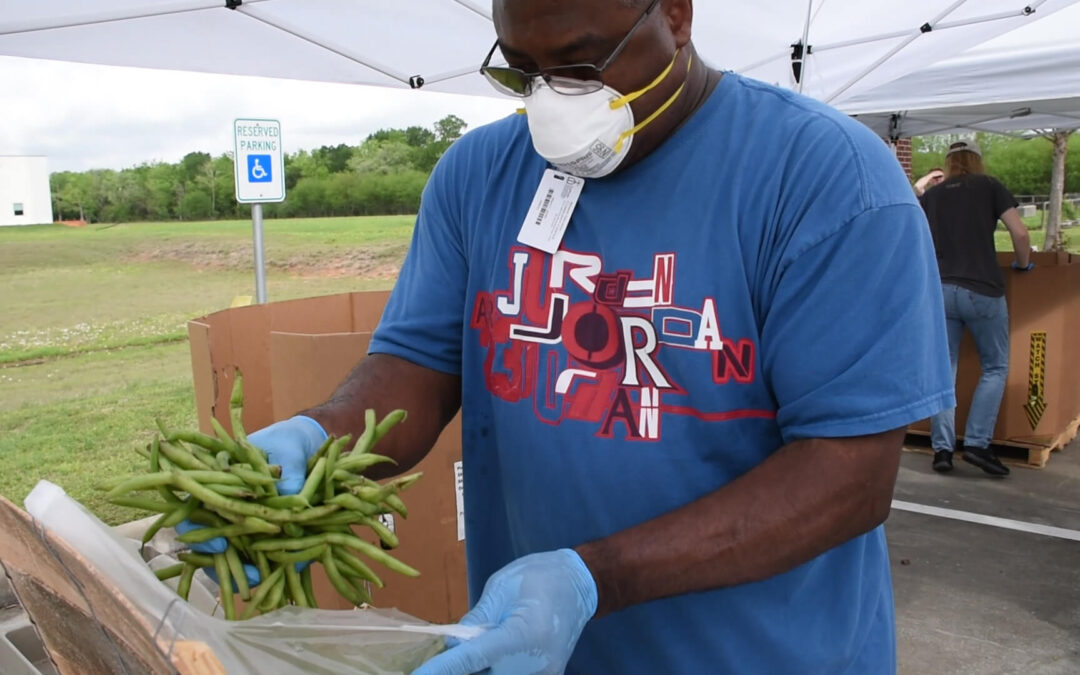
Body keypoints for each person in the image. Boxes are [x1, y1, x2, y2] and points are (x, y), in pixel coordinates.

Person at [195, 1, 954, 672]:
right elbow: (418, 367)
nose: (553, 98)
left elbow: (849, 474)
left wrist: (600, 577)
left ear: (677, 16)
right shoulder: (479, 175)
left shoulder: (825, 182)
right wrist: (316, 439)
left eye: (580, 62)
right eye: (523, 70)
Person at [919, 140, 1032, 477]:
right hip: (982, 288)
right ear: (977, 161)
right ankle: (978, 444)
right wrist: (1023, 265)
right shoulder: (990, 186)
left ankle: (942, 450)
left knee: (945, 369)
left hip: (941, 289)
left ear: (950, 163)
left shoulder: (933, 196)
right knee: (995, 366)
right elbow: (1021, 232)